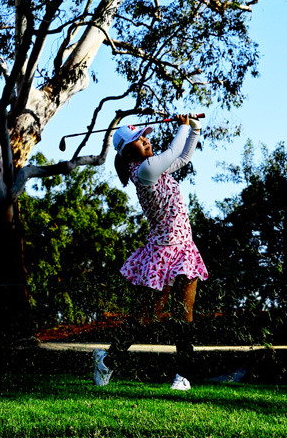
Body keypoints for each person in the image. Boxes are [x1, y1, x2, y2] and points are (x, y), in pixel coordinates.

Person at [94, 114, 207, 392]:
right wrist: (181, 125)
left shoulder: (157, 169)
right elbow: (171, 152)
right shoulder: (144, 171)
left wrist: (195, 128)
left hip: (183, 248)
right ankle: (107, 360)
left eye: (144, 136)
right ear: (127, 151)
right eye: (138, 140)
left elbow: (183, 156)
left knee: (185, 312)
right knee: (148, 317)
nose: (145, 140)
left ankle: (183, 376)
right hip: (161, 252)